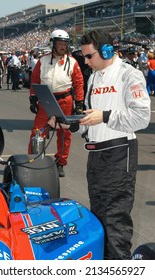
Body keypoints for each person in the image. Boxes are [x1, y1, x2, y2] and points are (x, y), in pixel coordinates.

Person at [76, 30, 150, 259]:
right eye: (84, 57)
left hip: (119, 154)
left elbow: (141, 118)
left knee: (115, 224)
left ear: (107, 50)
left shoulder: (129, 74)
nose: (86, 61)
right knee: (98, 222)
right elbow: (90, 121)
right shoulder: (93, 77)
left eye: (89, 56)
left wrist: (105, 116)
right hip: (96, 156)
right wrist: (69, 124)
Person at [28, 29, 84, 177]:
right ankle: (33, 160)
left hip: (65, 99)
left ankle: (60, 162)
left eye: (65, 44)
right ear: (53, 44)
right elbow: (35, 79)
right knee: (38, 131)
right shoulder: (43, 60)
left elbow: (79, 83)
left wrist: (79, 104)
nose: (63, 46)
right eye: (59, 43)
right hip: (46, 99)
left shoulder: (72, 62)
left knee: (64, 133)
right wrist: (33, 97)